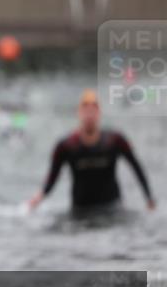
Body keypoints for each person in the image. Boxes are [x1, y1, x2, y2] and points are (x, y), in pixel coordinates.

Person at [28, 89, 155, 217]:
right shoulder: (66, 145)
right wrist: (37, 199)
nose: (89, 116)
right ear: (79, 113)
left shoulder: (115, 140)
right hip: (80, 211)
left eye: (93, 111)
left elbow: (136, 167)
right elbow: (52, 178)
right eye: (86, 111)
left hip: (112, 209)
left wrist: (149, 198)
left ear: (99, 113)